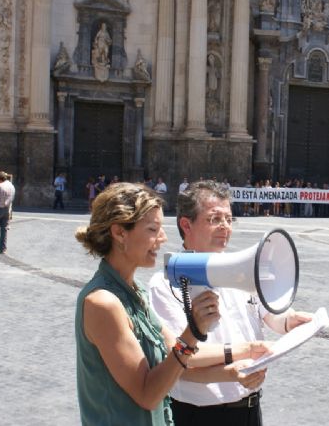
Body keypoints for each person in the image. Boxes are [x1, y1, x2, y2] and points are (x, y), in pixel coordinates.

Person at [149, 180, 312, 426]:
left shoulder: (241, 268)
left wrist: (290, 321)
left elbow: (270, 315)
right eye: (215, 219)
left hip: (248, 409)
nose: (225, 227)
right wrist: (245, 350)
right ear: (186, 224)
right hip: (198, 415)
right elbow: (180, 357)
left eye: (229, 219)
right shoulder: (164, 284)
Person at [74, 182, 222, 425]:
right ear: (120, 232)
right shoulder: (103, 303)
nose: (162, 238)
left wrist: (247, 352)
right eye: (153, 229)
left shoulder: (136, 291)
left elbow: (177, 352)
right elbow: (147, 394)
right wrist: (194, 330)